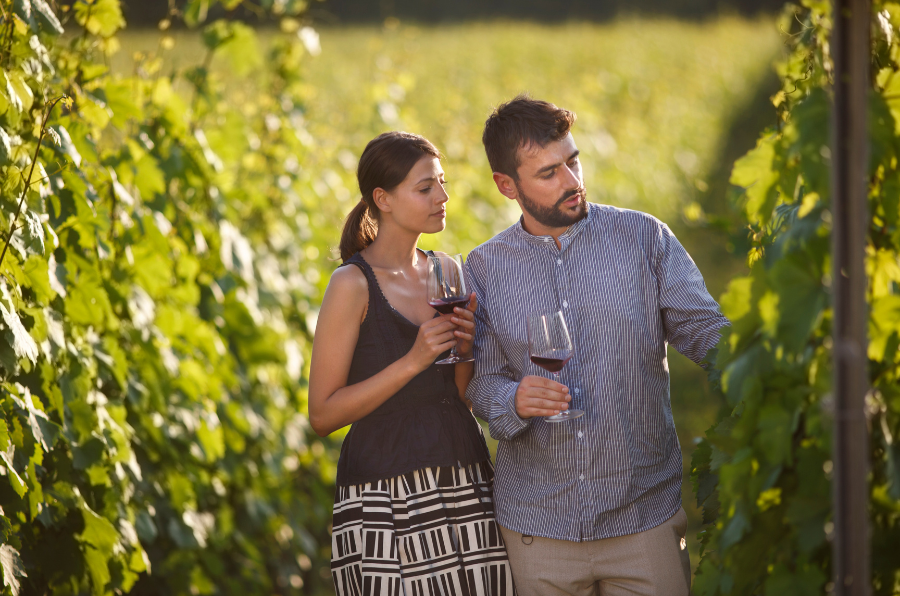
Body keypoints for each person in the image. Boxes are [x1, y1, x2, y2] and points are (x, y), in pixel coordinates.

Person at [464, 95, 729, 596]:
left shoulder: (644, 238)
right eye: (548, 173)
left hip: (642, 520)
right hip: (537, 530)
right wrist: (511, 400)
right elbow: (482, 381)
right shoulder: (483, 268)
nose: (571, 181)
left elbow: (706, 332)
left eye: (573, 160)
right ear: (506, 186)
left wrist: (769, 369)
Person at [309, 131, 516, 596]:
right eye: (425, 188)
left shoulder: (448, 270)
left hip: (463, 472)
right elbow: (322, 415)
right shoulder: (351, 285)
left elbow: (460, 394)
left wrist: (464, 347)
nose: (443, 196)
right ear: (382, 198)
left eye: (442, 183)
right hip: (386, 491)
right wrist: (413, 360)